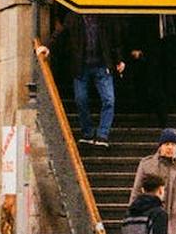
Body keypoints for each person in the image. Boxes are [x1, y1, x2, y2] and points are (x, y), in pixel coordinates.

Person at [38, 10, 126, 148]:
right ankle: (88, 133)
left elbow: (115, 39)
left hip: (102, 64)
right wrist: (48, 46)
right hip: (81, 65)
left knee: (109, 99)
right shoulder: (74, 16)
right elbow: (61, 33)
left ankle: (103, 134)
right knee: (81, 99)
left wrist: (119, 59)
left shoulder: (105, 16)